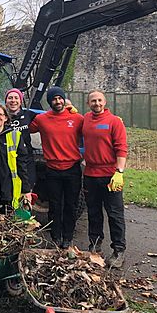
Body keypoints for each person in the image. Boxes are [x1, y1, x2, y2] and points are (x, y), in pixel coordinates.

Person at [29, 87, 84, 248]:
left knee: (70, 205)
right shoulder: (42, 119)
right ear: (50, 102)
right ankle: (56, 236)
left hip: (72, 169)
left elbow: (93, 127)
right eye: (54, 99)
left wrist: (115, 122)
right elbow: (25, 127)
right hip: (52, 169)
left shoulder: (77, 118)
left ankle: (68, 237)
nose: (58, 101)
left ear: (64, 100)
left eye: (60, 98)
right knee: (55, 205)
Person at [82, 90, 128, 268]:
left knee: (115, 214)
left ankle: (119, 250)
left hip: (110, 175)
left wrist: (119, 171)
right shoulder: (85, 119)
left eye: (100, 100)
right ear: (89, 104)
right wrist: (69, 107)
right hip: (91, 175)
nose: (97, 103)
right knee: (93, 213)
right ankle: (95, 247)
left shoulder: (114, 121)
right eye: (93, 101)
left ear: (105, 102)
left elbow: (121, 147)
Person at [4, 88, 37, 190]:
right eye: (10, 98)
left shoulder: (28, 114)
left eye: (16, 98)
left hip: (26, 159)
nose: (13, 100)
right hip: (6, 159)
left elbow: (50, 117)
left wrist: (67, 108)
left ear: (20, 101)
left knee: (27, 188)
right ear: (6, 101)